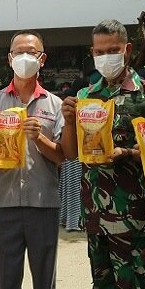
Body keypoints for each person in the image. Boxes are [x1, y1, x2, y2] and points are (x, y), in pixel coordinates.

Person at [61, 20, 145, 289]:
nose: (106, 57)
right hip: (95, 212)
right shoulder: (85, 97)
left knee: (135, 283)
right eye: (100, 51)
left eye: (113, 50)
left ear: (127, 50)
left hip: (131, 215)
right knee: (104, 281)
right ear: (92, 53)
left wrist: (128, 154)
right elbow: (71, 153)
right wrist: (68, 120)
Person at [0, 30, 65, 289]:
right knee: (7, 276)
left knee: (45, 274)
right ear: (9, 58)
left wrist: (38, 138)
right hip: (4, 204)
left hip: (43, 201)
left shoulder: (54, 105)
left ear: (42, 59)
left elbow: (62, 156)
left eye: (32, 52)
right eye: (19, 52)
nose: (25, 57)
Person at [58, 77, 88, 231]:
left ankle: (71, 219)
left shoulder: (70, 105)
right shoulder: (70, 107)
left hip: (72, 157)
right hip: (73, 154)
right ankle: (74, 220)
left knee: (72, 189)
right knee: (76, 189)